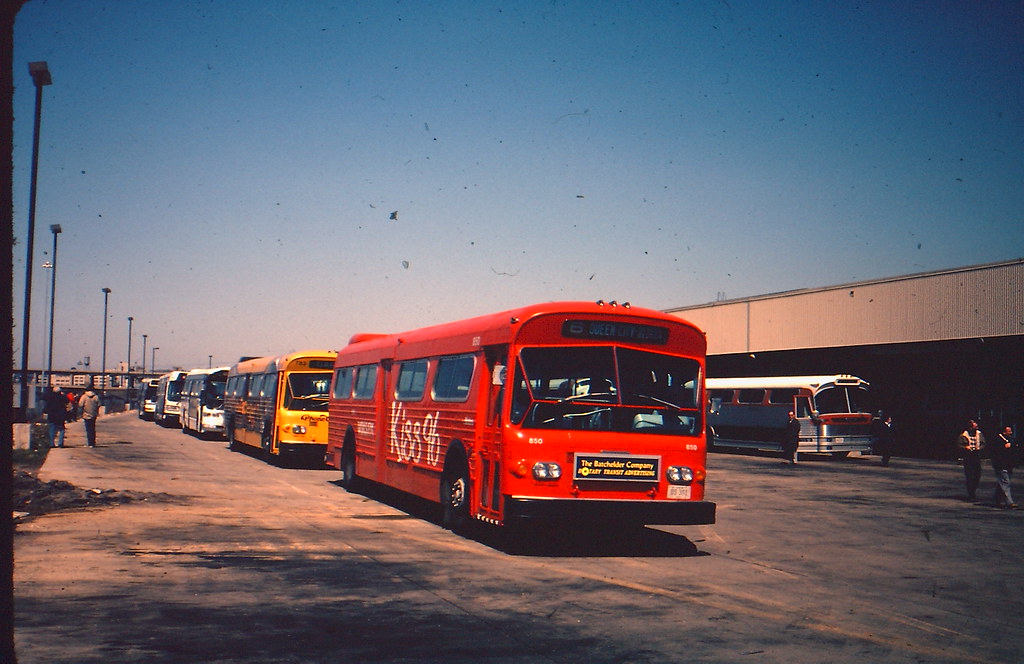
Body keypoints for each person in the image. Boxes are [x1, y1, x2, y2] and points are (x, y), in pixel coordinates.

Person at [990, 426, 1018, 509]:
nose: (1011, 433)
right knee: (1005, 482)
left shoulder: (1011, 440)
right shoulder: (997, 440)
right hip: (1000, 465)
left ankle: (996, 499)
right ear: (1004, 432)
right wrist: (1004, 447)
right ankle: (1009, 502)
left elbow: (1015, 448)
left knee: (1002, 483)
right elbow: (995, 452)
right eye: (1009, 431)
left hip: (1009, 465)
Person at [957, 419, 986, 501]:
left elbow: (983, 443)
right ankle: (971, 494)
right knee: (969, 476)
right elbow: (959, 444)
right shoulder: (963, 435)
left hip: (976, 455)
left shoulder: (979, 434)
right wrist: (965, 447)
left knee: (977, 475)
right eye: (975, 426)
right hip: (968, 456)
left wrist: (980, 448)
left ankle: (973, 489)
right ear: (970, 427)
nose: (976, 428)